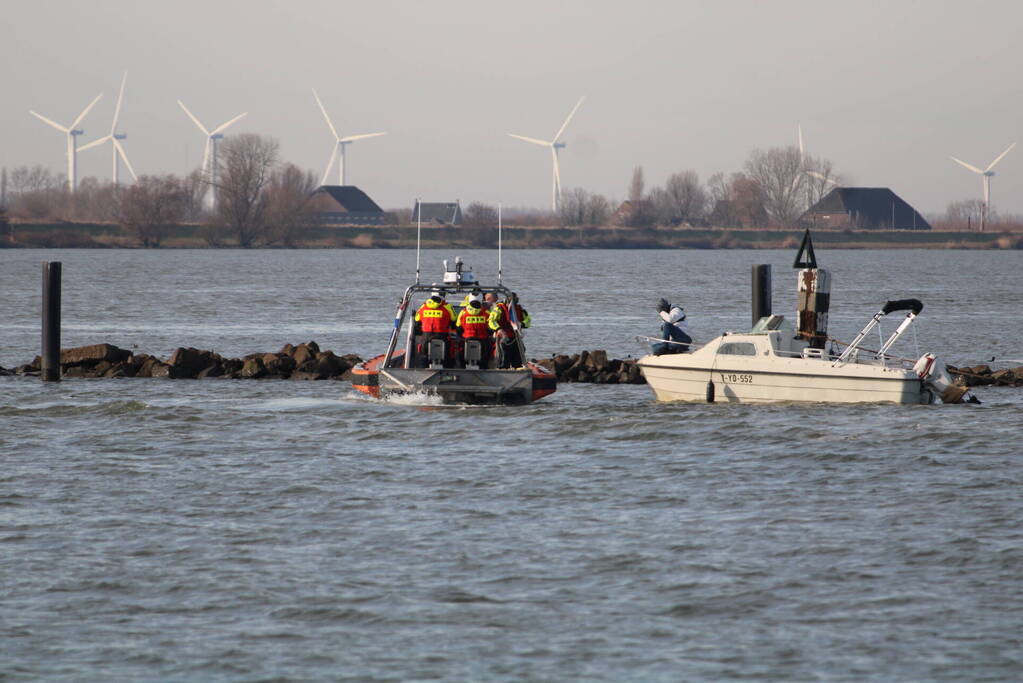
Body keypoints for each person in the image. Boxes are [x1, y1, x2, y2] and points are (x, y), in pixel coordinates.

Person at [414, 289, 455, 366]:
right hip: (442, 335)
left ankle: (423, 370)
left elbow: (416, 320)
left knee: (424, 354)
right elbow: (454, 319)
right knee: (447, 353)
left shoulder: (423, 306)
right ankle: (447, 368)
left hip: (426, 335)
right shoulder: (447, 306)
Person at [485, 292, 521, 368]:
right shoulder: (499, 308)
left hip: (515, 337)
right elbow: (491, 321)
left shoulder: (518, 309)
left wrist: (522, 324)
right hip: (502, 337)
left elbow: (527, 320)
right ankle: (502, 367)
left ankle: (517, 368)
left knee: (520, 354)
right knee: (503, 356)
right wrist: (498, 329)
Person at [455, 293, 491, 368]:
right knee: (487, 352)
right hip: (482, 339)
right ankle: (484, 368)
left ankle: (461, 368)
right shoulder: (486, 313)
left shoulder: (463, 312)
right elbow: (490, 327)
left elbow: (458, 327)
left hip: (467, 338)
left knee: (459, 352)